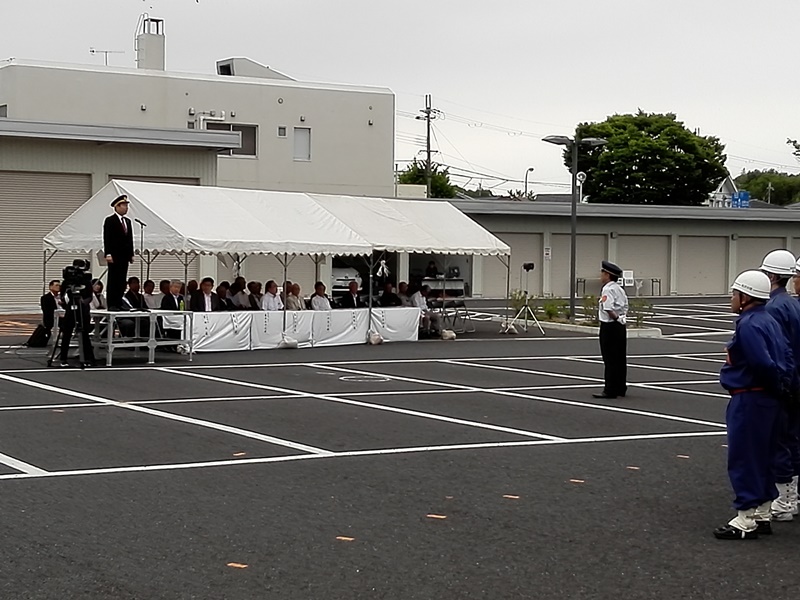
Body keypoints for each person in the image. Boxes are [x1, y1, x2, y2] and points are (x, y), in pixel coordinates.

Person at [715, 270, 793, 540]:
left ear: (746, 297)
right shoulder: (769, 320)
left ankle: (745, 518)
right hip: (770, 400)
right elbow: (787, 356)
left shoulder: (748, 324)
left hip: (750, 397)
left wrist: (773, 383)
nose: (732, 298)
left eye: (735, 294)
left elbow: (761, 363)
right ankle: (762, 512)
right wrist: (783, 387)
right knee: (766, 454)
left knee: (745, 456)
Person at [759, 250, 800, 521]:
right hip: (796, 380)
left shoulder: (773, 307)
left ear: (772, 275)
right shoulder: (793, 304)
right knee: (792, 438)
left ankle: (784, 500)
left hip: (785, 382)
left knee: (780, 440)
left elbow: (777, 350)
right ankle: (791, 495)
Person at [593, 261, 629, 399]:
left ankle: (610, 389)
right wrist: (621, 318)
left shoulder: (607, 289)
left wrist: (616, 318)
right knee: (620, 358)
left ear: (607, 275)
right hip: (620, 326)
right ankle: (620, 387)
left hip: (609, 326)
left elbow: (608, 308)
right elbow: (625, 306)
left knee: (609, 359)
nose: (601, 275)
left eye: (602, 273)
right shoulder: (619, 289)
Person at [103, 194, 134, 310]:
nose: (126, 208)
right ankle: (112, 303)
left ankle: (119, 301)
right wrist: (108, 253)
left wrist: (131, 254)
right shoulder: (110, 220)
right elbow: (107, 238)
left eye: (127, 206)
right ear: (117, 206)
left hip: (124, 256)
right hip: (114, 255)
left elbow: (130, 238)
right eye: (124, 205)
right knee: (113, 279)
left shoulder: (128, 221)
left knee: (122, 279)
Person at [57, 279, 95, 368]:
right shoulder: (67, 282)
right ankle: (63, 358)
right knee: (67, 334)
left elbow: (90, 296)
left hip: (83, 310)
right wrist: (65, 302)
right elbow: (63, 296)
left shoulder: (86, 281)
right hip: (71, 309)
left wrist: (83, 302)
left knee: (85, 334)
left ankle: (88, 358)